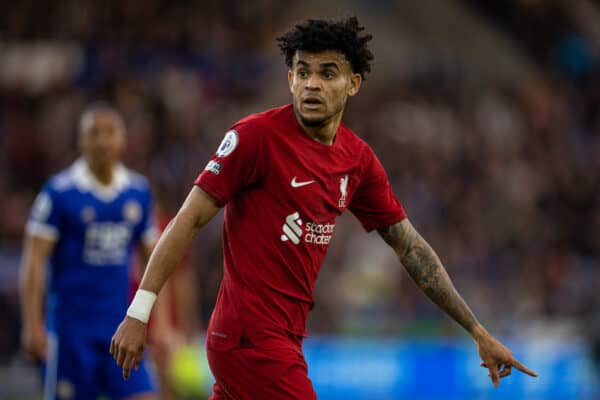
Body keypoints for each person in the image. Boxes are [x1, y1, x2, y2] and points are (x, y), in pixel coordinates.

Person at [110, 17, 538, 399]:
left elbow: (411, 249)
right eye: (302, 71)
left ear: (353, 83)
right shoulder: (255, 138)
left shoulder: (358, 160)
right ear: (290, 79)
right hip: (250, 339)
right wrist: (138, 313)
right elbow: (188, 221)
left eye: (327, 73)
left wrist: (477, 331)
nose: (312, 83)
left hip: (284, 339)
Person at [20, 104, 172, 400]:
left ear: (123, 139)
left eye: (109, 133)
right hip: (70, 334)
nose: (102, 141)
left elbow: (154, 260)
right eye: (93, 134)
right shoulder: (59, 193)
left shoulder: (138, 192)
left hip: (121, 329)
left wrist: (162, 324)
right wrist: (32, 323)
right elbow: (35, 259)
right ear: (81, 141)